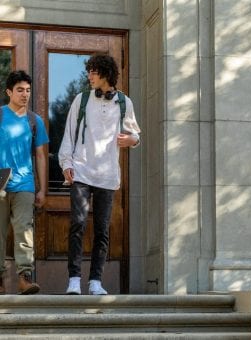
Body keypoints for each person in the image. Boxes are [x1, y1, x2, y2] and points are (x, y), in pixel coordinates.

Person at [59, 54, 141, 295]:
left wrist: (131, 140)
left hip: (107, 175)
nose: (90, 76)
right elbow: (69, 134)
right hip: (82, 170)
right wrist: (66, 164)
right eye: (89, 72)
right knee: (78, 224)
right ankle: (74, 279)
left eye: (94, 71)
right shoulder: (81, 99)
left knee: (102, 229)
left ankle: (96, 281)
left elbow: (136, 134)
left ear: (106, 73)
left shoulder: (125, 102)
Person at [0, 70, 49, 294]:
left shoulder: (34, 120)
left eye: (28, 90)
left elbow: (40, 155)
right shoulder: (0, 115)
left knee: (24, 230)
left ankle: (24, 278)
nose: (25, 94)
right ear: (9, 92)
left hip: (24, 185)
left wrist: (42, 189)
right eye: (20, 90)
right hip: (0, 184)